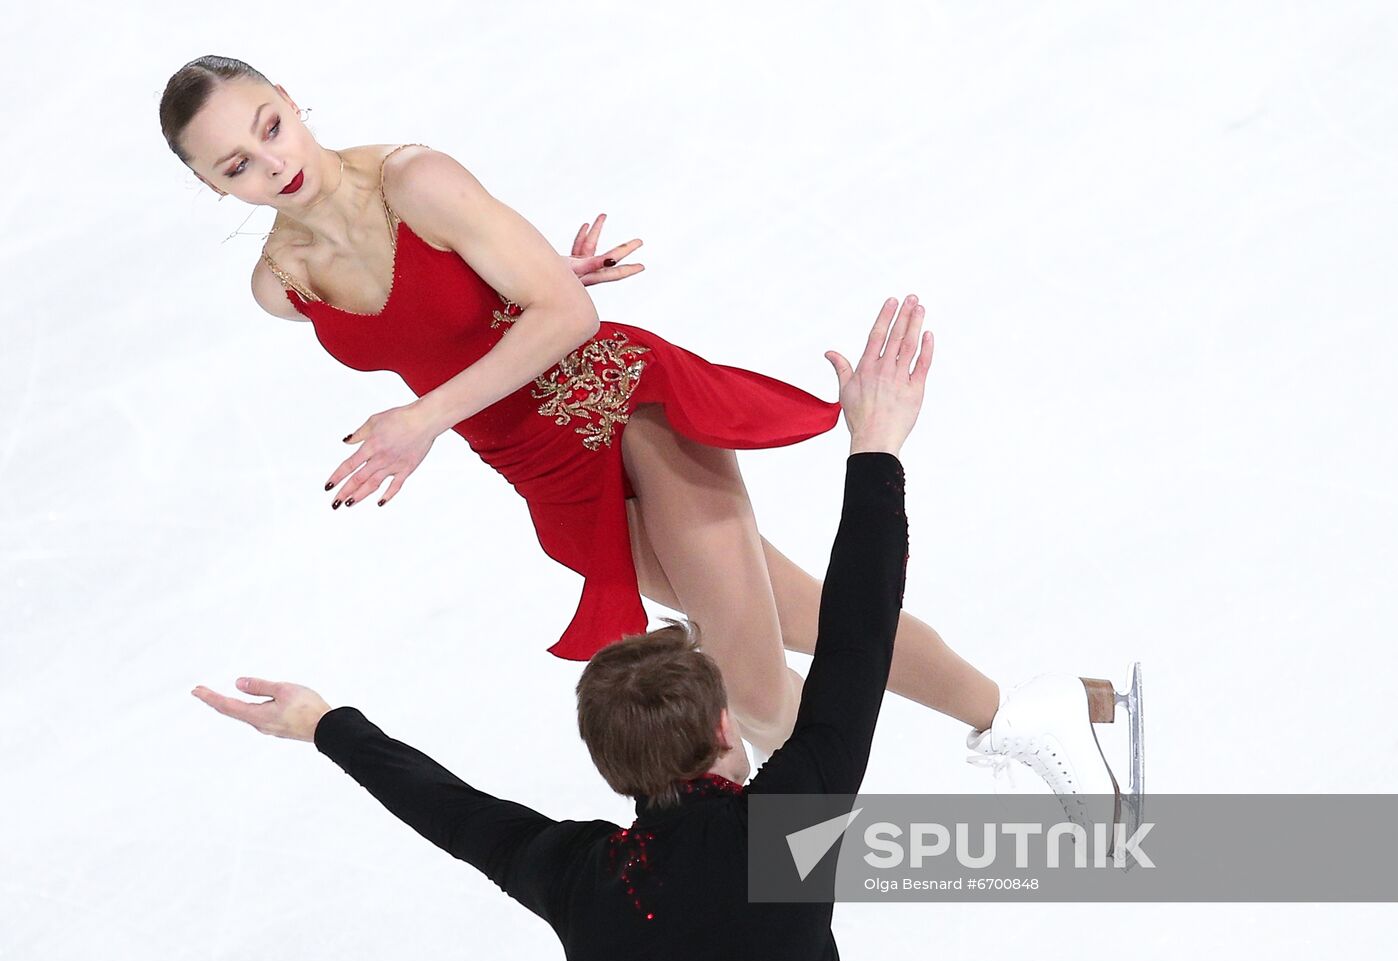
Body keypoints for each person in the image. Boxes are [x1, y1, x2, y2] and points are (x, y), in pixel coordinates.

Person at [164, 56, 1141, 800]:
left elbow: (567, 320)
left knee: (751, 685)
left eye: (272, 126)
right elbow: (461, 313)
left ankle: (791, 884)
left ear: (293, 102)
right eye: (238, 163)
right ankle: (1024, 712)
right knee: (807, 616)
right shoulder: (281, 287)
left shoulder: (415, 178)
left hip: (619, 409)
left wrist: (428, 412)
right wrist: (515, 293)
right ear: (214, 186)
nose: (273, 163)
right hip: (541, 473)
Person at [195, 297, 929, 961]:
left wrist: (324, 725)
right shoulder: (783, 832)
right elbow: (860, 633)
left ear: (609, 765)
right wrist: (875, 445)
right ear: (723, 725)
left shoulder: (585, 879)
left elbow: (449, 812)